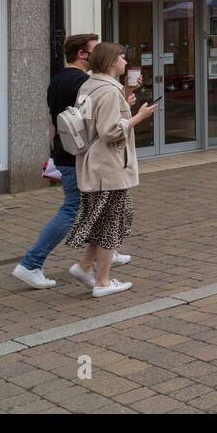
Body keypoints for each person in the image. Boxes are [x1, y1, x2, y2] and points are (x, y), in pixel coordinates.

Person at [13, 33, 133, 289]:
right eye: (94, 50)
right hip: (79, 156)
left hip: (64, 152)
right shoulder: (84, 83)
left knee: (94, 210)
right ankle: (32, 262)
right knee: (76, 210)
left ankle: (102, 254)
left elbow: (56, 120)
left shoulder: (58, 80)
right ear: (82, 54)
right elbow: (98, 125)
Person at [67, 42, 157, 298]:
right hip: (107, 166)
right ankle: (103, 281)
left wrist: (126, 94)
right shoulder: (107, 91)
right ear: (110, 62)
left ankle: (85, 266)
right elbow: (109, 131)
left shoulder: (90, 85)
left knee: (103, 219)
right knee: (111, 223)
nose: (125, 62)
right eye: (122, 58)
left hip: (94, 165)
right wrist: (140, 116)